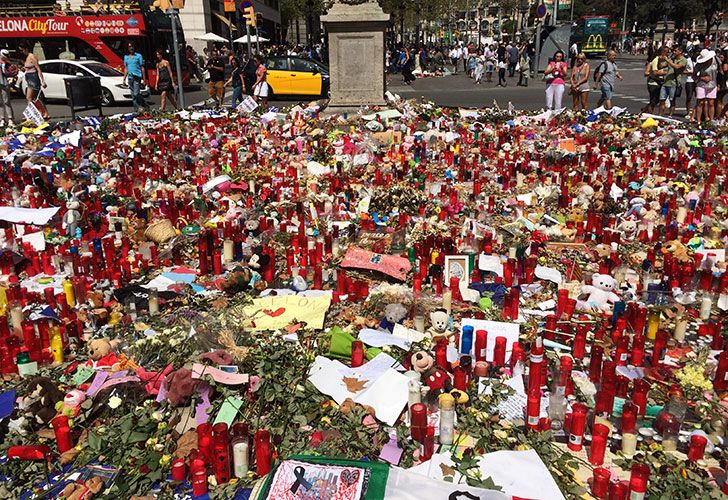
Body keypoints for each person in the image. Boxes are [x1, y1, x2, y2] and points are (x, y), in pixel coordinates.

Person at [18, 41, 47, 117]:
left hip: (33, 78)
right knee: (35, 98)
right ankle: (42, 113)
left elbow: (38, 69)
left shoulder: (32, 57)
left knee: (29, 97)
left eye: (22, 50)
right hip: (29, 78)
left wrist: (43, 81)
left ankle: (31, 114)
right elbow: (28, 69)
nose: (21, 52)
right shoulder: (27, 57)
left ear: (26, 49)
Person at [658, 45, 687, 117]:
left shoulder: (683, 60)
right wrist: (661, 60)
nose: (674, 52)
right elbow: (662, 66)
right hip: (666, 82)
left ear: (680, 51)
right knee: (662, 100)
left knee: (672, 100)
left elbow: (676, 67)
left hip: (674, 82)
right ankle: (660, 115)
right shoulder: (672, 58)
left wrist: (668, 60)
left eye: (676, 51)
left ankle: (670, 115)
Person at [694, 48, 718, 124]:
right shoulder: (699, 64)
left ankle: (711, 120)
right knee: (700, 102)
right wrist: (702, 78)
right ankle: (698, 120)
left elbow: (720, 71)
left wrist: (720, 83)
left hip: (713, 84)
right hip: (701, 84)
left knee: (711, 103)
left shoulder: (715, 60)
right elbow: (694, 75)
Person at [643, 46, 669, 114]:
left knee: (656, 101)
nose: (668, 53)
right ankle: (650, 115)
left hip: (660, 82)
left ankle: (644, 110)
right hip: (653, 83)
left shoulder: (663, 61)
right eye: (667, 52)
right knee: (653, 101)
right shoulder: (655, 60)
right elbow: (655, 72)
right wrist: (666, 73)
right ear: (662, 52)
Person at [122, 41, 146, 112]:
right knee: (133, 95)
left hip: (137, 77)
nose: (131, 48)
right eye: (129, 47)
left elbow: (142, 68)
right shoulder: (126, 57)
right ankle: (136, 110)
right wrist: (124, 79)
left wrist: (144, 79)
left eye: (132, 46)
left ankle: (143, 104)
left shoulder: (138, 56)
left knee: (136, 93)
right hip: (130, 78)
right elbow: (126, 68)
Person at [0, 49, 16, 127]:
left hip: (4, 83)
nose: (6, 57)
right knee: (0, 102)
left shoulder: (8, 64)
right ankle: (2, 119)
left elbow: (12, 72)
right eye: (5, 56)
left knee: (6, 101)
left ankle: (10, 119)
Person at [684, 48, 696, 119]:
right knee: (689, 96)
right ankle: (688, 111)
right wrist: (690, 72)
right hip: (689, 80)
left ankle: (695, 112)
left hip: (698, 80)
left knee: (699, 98)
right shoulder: (688, 61)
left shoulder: (700, 60)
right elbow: (683, 71)